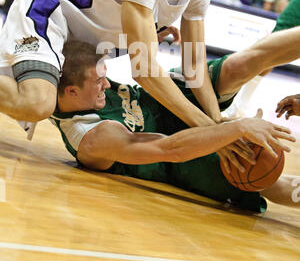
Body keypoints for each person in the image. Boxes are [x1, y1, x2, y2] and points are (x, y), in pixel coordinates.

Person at [0, 0, 300, 167]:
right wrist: (210, 131)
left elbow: (194, 66)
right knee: (37, 103)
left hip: (88, 46)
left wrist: (218, 121)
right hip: (51, 14)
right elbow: (143, 70)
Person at [49, 40, 297, 214]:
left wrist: (151, 32)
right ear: (72, 91)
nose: (106, 84)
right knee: (260, 171)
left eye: (105, 76)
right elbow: (170, 148)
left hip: (160, 101)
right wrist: (237, 128)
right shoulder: (91, 138)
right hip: (177, 156)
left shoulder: (72, 76)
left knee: (239, 66)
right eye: (99, 81)